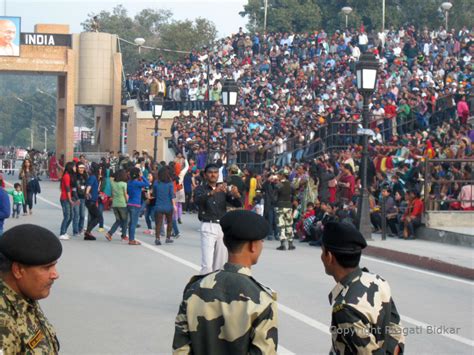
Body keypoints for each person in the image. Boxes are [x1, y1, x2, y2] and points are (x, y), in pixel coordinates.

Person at [172, 210, 278, 354]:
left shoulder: (195, 289)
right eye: (261, 241)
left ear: (224, 241)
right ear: (253, 246)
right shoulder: (262, 300)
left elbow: (180, 349)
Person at [320, 222, 405, 354]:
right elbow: (396, 329)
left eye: (322, 251)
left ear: (329, 257)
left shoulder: (345, 309)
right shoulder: (378, 281)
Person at [0, 224, 61, 352]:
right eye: (47, 267)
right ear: (18, 271)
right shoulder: (3, 324)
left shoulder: (23, 295)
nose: (55, 274)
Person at [193, 163, 242, 274]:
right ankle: (203, 288)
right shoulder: (200, 189)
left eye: (215, 172)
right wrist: (212, 192)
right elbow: (197, 201)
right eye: (210, 172)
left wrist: (236, 194)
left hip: (222, 227)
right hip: (208, 225)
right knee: (207, 264)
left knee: (220, 264)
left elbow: (237, 203)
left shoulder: (223, 189)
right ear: (205, 175)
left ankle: (215, 289)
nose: (213, 175)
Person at [127, 167, 149, 245]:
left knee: (131, 223)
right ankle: (132, 239)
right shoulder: (137, 183)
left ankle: (130, 238)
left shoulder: (129, 182)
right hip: (135, 204)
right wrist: (142, 176)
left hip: (129, 203)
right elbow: (147, 183)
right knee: (134, 223)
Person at [153, 167, 175, 245]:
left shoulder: (156, 183)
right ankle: (168, 238)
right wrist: (174, 206)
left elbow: (154, 194)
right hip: (168, 206)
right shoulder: (170, 183)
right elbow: (172, 195)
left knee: (158, 223)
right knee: (169, 222)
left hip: (158, 205)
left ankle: (157, 238)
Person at [105, 170, 129, 241]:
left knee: (118, 220)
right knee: (125, 220)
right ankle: (123, 236)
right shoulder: (124, 184)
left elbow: (112, 193)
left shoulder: (113, 183)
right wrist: (127, 202)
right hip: (122, 204)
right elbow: (125, 195)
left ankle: (109, 233)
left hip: (115, 203)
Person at [275, 169, 295, 251]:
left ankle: (282, 244)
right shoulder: (291, 184)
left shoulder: (279, 185)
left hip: (280, 206)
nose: (278, 176)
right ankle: (290, 244)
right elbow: (294, 194)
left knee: (281, 225)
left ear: (282, 175)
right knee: (289, 224)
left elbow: (275, 196)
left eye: (279, 174)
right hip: (289, 206)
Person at [59, 162, 76, 240]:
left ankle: (64, 231)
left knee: (71, 216)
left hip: (68, 198)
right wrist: (70, 199)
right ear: (70, 168)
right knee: (67, 216)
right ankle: (62, 233)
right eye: (74, 167)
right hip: (65, 198)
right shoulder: (66, 176)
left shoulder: (70, 176)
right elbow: (67, 188)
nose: (75, 168)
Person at [84, 162, 101, 241]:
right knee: (98, 217)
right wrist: (87, 193)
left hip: (92, 200)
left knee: (93, 217)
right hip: (90, 201)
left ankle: (88, 233)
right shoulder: (93, 177)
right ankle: (88, 232)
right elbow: (89, 186)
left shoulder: (94, 177)